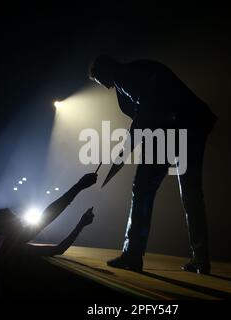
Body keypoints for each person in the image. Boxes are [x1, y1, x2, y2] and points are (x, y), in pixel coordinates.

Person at [89, 56, 217, 274]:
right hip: (188, 125)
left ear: (106, 70)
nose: (105, 86)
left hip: (178, 127)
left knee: (143, 189)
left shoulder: (127, 77)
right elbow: (143, 117)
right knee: (190, 193)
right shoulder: (131, 77)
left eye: (101, 80)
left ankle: (133, 254)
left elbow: (148, 112)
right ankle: (201, 259)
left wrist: (125, 149)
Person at [0, 172, 97, 260]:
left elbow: (49, 214)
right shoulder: (15, 247)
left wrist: (79, 186)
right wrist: (80, 224)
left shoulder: (7, 243)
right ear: (5, 228)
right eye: (14, 219)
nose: (19, 219)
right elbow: (58, 248)